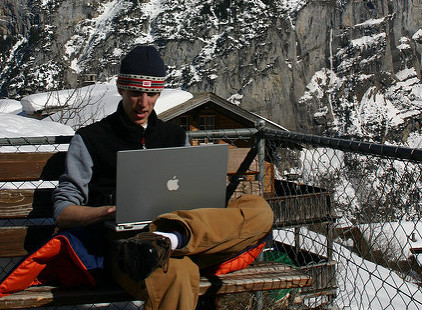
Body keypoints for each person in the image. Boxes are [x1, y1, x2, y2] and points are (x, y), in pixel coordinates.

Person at [52, 45, 274, 310]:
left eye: (152, 93)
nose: (143, 102)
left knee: (259, 209)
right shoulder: (91, 139)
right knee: (177, 274)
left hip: (183, 235)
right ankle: (164, 243)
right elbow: (62, 212)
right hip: (126, 246)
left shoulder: (174, 137)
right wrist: (108, 212)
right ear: (121, 89)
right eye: (135, 92)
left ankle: (171, 238)